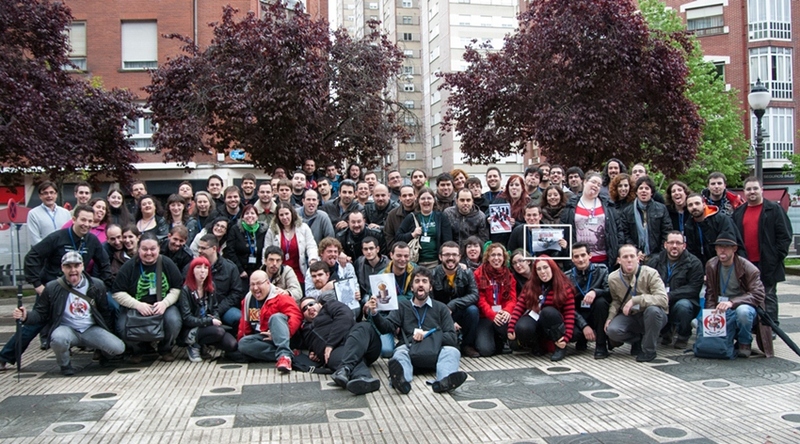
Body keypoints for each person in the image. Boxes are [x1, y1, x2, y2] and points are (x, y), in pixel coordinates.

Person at [13, 251, 124, 375]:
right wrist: (25, 316)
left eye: (76, 266)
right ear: (62, 268)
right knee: (58, 339)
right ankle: (65, 365)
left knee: (118, 347)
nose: (73, 270)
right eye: (68, 266)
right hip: (67, 329)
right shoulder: (52, 287)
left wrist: (107, 334)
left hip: (90, 329)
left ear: (82, 266)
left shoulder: (97, 285)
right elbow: (40, 313)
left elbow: (105, 313)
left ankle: (105, 357)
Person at [366, 267, 468, 394]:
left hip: (436, 351)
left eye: (425, 281)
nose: (421, 284)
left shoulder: (441, 308)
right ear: (412, 287)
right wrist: (374, 313)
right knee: (399, 354)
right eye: (417, 281)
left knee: (452, 351)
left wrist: (428, 334)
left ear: (430, 287)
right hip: (410, 349)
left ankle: (444, 381)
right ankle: (401, 381)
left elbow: (452, 337)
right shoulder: (402, 306)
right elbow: (386, 327)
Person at [112, 232, 184, 363]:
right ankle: (137, 350)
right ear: (138, 249)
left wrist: (165, 303)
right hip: (135, 307)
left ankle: (165, 349)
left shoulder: (167, 263)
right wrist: (137, 305)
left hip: (162, 305)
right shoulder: (129, 266)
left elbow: (177, 287)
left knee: (174, 320)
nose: (149, 253)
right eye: (144, 249)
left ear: (159, 249)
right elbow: (117, 292)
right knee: (122, 326)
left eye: (153, 249)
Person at [732, 176, 792, 328]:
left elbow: (785, 236)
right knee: (747, 296)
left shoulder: (774, 209)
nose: (752, 192)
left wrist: (776, 257)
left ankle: (771, 327)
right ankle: (752, 327)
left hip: (768, 262)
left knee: (769, 296)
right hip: (746, 263)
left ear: (761, 190)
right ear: (744, 192)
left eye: (755, 188)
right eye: (748, 189)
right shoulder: (738, 213)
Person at [704, 232, 767, 358]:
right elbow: (710, 293)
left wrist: (732, 302)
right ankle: (719, 342)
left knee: (743, 312)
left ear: (734, 249)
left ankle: (745, 343)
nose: (722, 250)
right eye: (719, 247)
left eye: (726, 247)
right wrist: (710, 313)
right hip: (721, 307)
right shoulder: (711, 265)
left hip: (743, 305)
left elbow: (758, 293)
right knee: (698, 321)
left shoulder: (748, 268)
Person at [605, 244, 668, 363]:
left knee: (652, 311)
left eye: (632, 256)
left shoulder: (651, 273)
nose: (629, 260)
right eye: (625, 257)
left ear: (638, 258)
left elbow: (663, 299)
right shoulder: (613, 278)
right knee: (612, 330)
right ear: (619, 260)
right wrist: (610, 317)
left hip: (652, 315)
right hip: (631, 315)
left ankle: (649, 350)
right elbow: (616, 301)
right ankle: (637, 339)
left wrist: (636, 300)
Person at [507, 256, 575, 361]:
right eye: (539, 269)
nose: (542, 272)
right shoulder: (531, 285)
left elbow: (570, 313)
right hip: (536, 318)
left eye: (545, 267)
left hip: (554, 322)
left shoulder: (564, 286)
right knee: (522, 327)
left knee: (547, 312)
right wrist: (511, 327)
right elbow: (520, 306)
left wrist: (566, 338)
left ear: (552, 268)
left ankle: (560, 346)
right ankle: (537, 344)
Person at [646, 232, 704, 349]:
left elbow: (693, 288)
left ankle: (683, 335)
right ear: (665, 244)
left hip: (683, 301)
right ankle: (665, 331)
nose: (674, 246)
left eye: (678, 243)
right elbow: (646, 283)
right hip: (659, 300)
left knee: (683, 306)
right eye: (671, 242)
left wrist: (670, 295)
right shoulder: (654, 261)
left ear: (684, 246)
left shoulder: (694, 263)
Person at [237, 270, 302, 372]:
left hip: (285, 337)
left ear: (267, 282)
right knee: (243, 343)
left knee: (276, 317)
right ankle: (288, 354)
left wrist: (280, 334)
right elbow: (244, 324)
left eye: (259, 284)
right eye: (252, 284)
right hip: (263, 339)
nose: (255, 288)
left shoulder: (280, 296)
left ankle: (285, 356)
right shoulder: (248, 299)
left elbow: (296, 316)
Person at [178, 257, 238, 362]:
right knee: (218, 332)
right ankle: (193, 345)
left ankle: (203, 344)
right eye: (198, 267)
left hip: (208, 325)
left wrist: (215, 318)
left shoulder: (210, 287)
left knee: (232, 344)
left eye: (206, 268)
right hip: (192, 328)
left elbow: (214, 308)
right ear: (192, 270)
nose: (202, 271)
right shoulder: (186, 290)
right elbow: (187, 318)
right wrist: (209, 321)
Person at [560, 172, 624, 267]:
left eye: (599, 185)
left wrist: (617, 252)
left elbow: (618, 230)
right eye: (593, 182)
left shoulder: (608, 206)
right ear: (585, 182)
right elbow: (564, 230)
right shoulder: (571, 206)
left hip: (604, 259)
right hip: (579, 260)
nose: (596, 186)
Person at [431, 242, 480, 358]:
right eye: (447, 254)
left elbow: (474, 294)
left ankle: (467, 345)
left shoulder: (467, 273)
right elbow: (431, 301)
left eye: (454, 255)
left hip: (459, 311)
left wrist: (453, 304)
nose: (451, 258)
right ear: (440, 257)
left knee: (473, 310)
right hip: (440, 314)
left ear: (459, 257)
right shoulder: (433, 274)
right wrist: (447, 316)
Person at [568, 243, 612, 359]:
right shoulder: (567, 277)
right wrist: (584, 326)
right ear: (572, 259)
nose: (580, 259)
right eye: (576, 257)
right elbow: (568, 305)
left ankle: (601, 346)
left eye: (583, 255)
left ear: (590, 255)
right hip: (578, 315)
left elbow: (609, 291)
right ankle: (582, 338)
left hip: (596, 313)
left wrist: (595, 292)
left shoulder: (602, 270)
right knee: (572, 334)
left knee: (601, 302)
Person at [474, 243, 517, 357]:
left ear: (504, 258)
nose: (496, 258)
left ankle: (503, 340)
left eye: (499, 255)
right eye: (493, 255)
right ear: (487, 257)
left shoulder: (509, 275)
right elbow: (480, 299)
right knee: (486, 351)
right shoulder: (478, 274)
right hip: (485, 316)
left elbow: (512, 298)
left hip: (502, 314)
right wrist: (492, 314)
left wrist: (507, 311)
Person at [396, 187, 454, 269]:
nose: (426, 201)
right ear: (418, 201)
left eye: (429, 198)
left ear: (434, 200)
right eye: (423, 198)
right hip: (416, 263)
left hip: (436, 263)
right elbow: (398, 237)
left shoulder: (441, 217)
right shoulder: (411, 217)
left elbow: (447, 241)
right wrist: (412, 234)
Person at [195, 234, 245, 329]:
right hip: (199, 309)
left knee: (239, 318)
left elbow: (236, 293)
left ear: (214, 248)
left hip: (222, 308)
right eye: (199, 247)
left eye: (203, 248)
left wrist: (218, 310)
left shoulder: (230, 268)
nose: (199, 251)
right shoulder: (193, 267)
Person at [620, 176, 672, 261]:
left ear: (651, 192)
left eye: (647, 188)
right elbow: (625, 235)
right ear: (636, 192)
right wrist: (636, 251)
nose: (643, 191)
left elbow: (667, 232)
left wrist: (660, 255)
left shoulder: (661, 209)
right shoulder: (627, 211)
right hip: (635, 257)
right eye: (641, 188)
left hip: (657, 257)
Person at [265, 202, 318, 286]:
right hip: (279, 273)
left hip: (298, 272)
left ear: (292, 214)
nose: (285, 217)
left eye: (287, 214)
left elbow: (311, 246)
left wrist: (313, 259)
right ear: (277, 217)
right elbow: (266, 251)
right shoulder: (272, 231)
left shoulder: (303, 228)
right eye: (281, 215)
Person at [684, 193, 742, 265]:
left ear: (704, 204)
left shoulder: (721, 219)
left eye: (697, 203)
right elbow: (691, 251)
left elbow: (731, 244)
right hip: (701, 266)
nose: (694, 207)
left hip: (725, 263)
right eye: (690, 205)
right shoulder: (688, 225)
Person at [224, 204, 267, 287]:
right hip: (240, 271)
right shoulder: (235, 229)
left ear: (257, 217)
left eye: (252, 213)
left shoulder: (263, 231)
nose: (250, 216)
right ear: (242, 217)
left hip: (258, 270)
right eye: (247, 213)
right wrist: (240, 270)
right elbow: (230, 250)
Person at [490, 174, 530, 246]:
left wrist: (515, 224)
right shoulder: (499, 200)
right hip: (499, 241)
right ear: (508, 188)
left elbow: (530, 225)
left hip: (517, 242)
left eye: (517, 185)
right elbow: (487, 214)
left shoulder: (527, 204)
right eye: (511, 185)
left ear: (522, 188)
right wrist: (489, 219)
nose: (514, 187)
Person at [27, 181, 72, 246]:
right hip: (44, 253)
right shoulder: (33, 214)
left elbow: (70, 234)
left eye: (51, 192)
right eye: (45, 193)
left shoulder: (66, 213)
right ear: (40, 196)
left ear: (56, 194)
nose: (49, 195)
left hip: (63, 252)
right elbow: (34, 239)